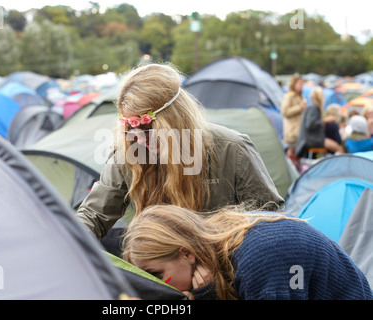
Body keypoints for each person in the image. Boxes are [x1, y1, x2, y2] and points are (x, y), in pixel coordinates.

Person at [76, 63, 284, 240]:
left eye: (148, 129)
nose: (139, 139)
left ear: (174, 119)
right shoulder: (128, 152)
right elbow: (93, 215)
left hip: (226, 269)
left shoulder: (232, 149)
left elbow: (269, 221)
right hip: (159, 271)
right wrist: (69, 241)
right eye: (131, 129)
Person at [122, 204, 373, 300]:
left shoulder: (260, 256)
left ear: (187, 253)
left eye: (156, 274)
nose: (156, 284)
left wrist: (208, 299)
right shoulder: (222, 246)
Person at [281, 74, 307, 168]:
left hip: (299, 130)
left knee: (297, 152)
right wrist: (299, 108)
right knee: (291, 151)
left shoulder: (300, 97)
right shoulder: (289, 96)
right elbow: (284, 111)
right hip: (292, 130)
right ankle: (290, 171)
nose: (301, 86)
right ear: (294, 84)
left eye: (302, 84)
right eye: (299, 83)